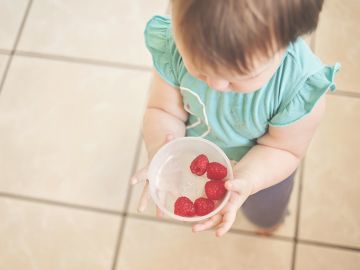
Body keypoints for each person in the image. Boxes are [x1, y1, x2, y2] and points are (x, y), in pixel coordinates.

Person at [131, 0, 340, 237]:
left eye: (239, 76)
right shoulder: (176, 45)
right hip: (199, 149)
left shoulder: (298, 88)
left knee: (265, 209)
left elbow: (285, 150)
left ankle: (268, 223)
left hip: (263, 169)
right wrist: (161, 149)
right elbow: (164, 110)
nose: (216, 85)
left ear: (288, 41)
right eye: (200, 68)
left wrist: (248, 179)